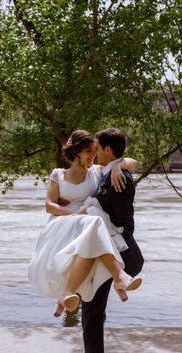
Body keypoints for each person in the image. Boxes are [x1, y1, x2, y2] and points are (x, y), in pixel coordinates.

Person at [65, 127, 144, 353]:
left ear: (108, 150)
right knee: (90, 311)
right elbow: (129, 161)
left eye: (97, 146)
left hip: (116, 252)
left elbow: (124, 222)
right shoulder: (110, 170)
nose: (94, 150)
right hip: (104, 252)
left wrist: (98, 218)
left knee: (92, 316)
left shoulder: (119, 176)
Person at [28, 129, 142, 319]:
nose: (93, 155)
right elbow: (49, 205)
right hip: (64, 223)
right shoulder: (58, 175)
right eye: (89, 151)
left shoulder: (96, 172)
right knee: (94, 223)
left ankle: (65, 297)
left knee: (93, 229)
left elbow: (133, 162)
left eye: (94, 150)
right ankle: (119, 278)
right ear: (77, 152)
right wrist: (76, 214)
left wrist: (117, 166)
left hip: (89, 223)